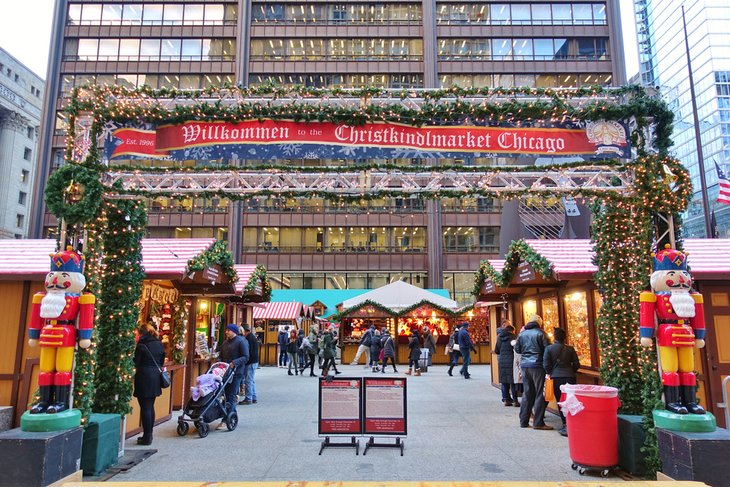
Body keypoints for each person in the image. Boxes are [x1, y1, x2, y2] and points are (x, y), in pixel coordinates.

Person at [28, 247, 95, 415]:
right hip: (47, 334)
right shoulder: (42, 298)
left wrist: (85, 336)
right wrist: (34, 334)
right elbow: (36, 318)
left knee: (63, 368)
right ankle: (43, 401)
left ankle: (60, 401)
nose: (56, 281)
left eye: (62, 277)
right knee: (46, 368)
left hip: (66, 335)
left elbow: (86, 317)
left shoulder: (81, 298)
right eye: (53, 276)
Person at [640, 245, 706, 415]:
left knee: (687, 368)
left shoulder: (693, 297)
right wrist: (646, 334)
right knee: (670, 368)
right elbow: (646, 315)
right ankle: (673, 402)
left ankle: (690, 401)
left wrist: (700, 335)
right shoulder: (653, 296)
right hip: (667, 334)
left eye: (683, 275)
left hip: (686, 333)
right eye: (672, 275)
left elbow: (698, 319)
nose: (680, 279)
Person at [514, 314, 552, 430]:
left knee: (527, 392)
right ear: (539, 323)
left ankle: (524, 420)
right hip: (538, 365)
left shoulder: (522, 334)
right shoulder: (541, 333)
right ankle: (538, 422)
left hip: (525, 365)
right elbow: (548, 350)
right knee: (540, 393)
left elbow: (517, 349)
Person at [543, 327, 581, 436]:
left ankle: (565, 423)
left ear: (554, 337)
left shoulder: (549, 349)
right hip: (570, 377)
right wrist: (571, 371)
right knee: (571, 400)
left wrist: (551, 372)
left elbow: (546, 365)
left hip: (556, 378)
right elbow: (577, 364)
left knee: (561, 400)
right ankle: (571, 422)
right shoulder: (570, 349)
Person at [133, 324, 165, 445]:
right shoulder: (159, 344)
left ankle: (147, 437)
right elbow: (161, 361)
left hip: (144, 377)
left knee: (145, 407)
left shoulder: (142, 345)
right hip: (155, 377)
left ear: (141, 334)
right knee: (150, 406)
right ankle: (149, 434)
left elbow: (136, 362)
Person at [220, 324, 249, 414]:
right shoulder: (225, 343)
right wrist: (219, 362)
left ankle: (227, 417)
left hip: (237, 372)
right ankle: (232, 413)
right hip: (225, 372)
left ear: (234, 331)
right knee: (225, 394)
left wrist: (234, 363)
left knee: (231, 394)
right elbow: (221, 355)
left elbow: (246, 357)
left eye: (228, 330)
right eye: (226, 330)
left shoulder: (241, 341)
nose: (226, 332)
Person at [494, 324, 518, 406]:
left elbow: (496, 350)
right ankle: (515, 400)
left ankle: (506, 400)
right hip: (512, 361)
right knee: (513, 381)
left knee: (504, 382)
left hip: (502, 362)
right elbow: (517, 349)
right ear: (512, 330)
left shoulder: (499, 337)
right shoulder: (514, 337)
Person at [241, 324, 259, 405]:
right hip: (254, 361)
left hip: (250, 362)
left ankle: (248, 398)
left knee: (248, 380)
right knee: (251, 380)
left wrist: (245, 361)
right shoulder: (252, 337)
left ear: (244, 331)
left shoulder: (248, 338)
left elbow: (249, 352)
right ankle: (253, 397)